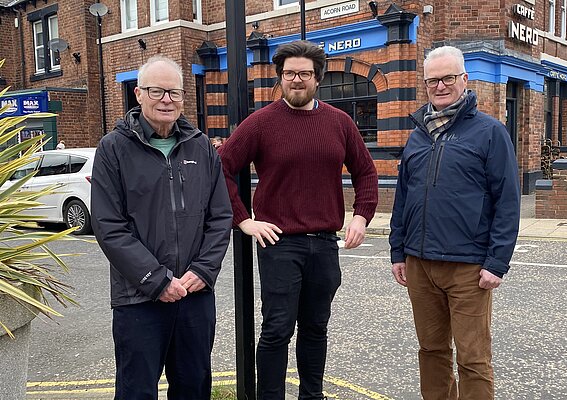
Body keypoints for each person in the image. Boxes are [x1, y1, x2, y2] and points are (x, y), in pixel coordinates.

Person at [219, 40, 378, 400]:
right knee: (276, 330)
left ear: (317, 78)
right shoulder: (260, 123)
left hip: (324, 244)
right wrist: (244, 221)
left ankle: (312, 395)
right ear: (280, 77)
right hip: (279, 243)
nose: (296, 80)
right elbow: (222, 168)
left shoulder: (340, 123)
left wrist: (361, 217)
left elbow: (365, 173)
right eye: (289, 73)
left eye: (304, 74)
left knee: (315, 328)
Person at [91, 55, 232, 400]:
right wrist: (156, 280)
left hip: (194, 293)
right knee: (137, 390)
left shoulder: (201, 146)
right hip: (139, 298)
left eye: (175, 93)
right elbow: (109, 225)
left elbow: (220, 216)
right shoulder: (113, 149)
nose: (167, 100)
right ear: (138, 94)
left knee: (194, 387)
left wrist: (203, 270)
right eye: (157, 91)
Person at [389, 45, 520, 399]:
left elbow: (507, 201)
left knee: (473, 358)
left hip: (468, 267)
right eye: (433, 80)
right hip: (419, 264)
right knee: (431, 352)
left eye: (448, 78)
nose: (440, 86)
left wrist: (497, 262)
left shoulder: (490, 132)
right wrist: (397, 252)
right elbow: (403, 198)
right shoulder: (417, 136)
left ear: (464, 79)